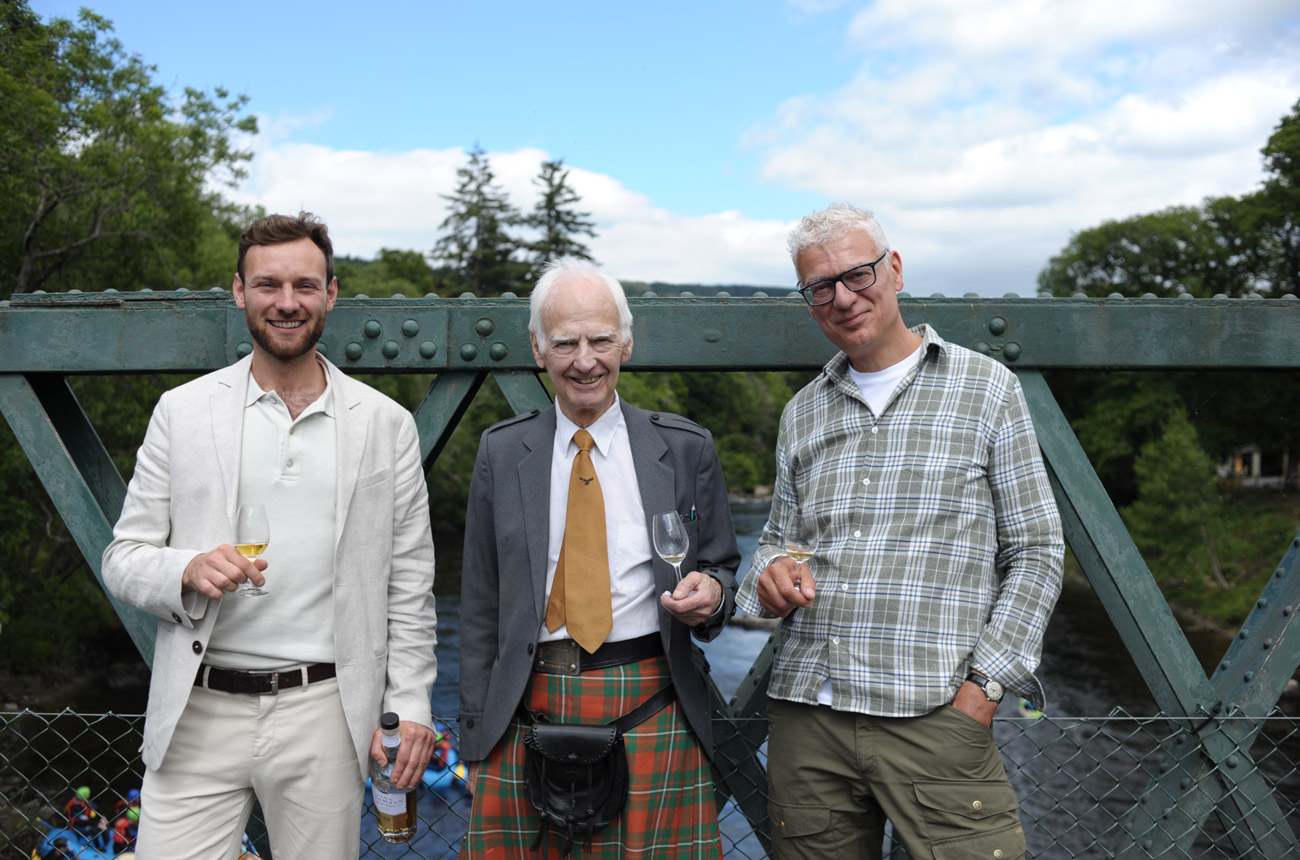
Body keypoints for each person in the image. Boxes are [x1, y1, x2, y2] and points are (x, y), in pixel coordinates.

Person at [102, 212, 439, 860]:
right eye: (268, 285)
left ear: (331, 294)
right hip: (197, 712)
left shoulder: (387, 424)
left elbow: (410, 584)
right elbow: (122, 558)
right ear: (239, 291)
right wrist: (187, 569)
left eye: (305, 285)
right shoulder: (182, 410)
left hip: (326, 715)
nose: (287, 302)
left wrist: (411, 703)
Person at [737, 203, 1064, 860]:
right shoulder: (802, 412)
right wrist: (769, 578)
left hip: (934, 714)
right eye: (820, 287)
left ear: (894, 270)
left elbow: (1036, 550)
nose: (843, 298)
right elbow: (780, 544)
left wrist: (987, 688)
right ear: (808, 302)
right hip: (810, 717)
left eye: (857, 275)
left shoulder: (986, 387)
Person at [458, 258, 741, 859]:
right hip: (525, 705)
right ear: (538, 349)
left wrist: (712, 596)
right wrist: (476, 740)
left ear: (627, 344)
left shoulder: (685, 448)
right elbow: (481, 604)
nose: (585, 359)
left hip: (650, 698)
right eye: (565, 342)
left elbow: (720, 567)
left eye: (601, 339)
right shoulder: (503, 452)